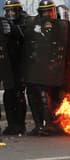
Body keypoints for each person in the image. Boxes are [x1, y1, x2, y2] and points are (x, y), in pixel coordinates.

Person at [21, 0, 68, 136]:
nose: (47, 14)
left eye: (49, 11)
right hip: (34, 65)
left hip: (53, 67)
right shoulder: (32, 23)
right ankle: (38, 125)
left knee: (44, 96)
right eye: (44, 11)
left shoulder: (61, 24)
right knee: (31, 93)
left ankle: (49, 125)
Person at [1, 0, 28, 135]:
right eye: (8, 10)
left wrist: (13, 29)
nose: (10, 13)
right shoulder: (3, 22)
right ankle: (11, 124)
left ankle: (20, 125)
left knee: (18, 94)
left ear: (18, 10)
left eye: (12, 10)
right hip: (7, 64)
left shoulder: (26, 20)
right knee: (8, 94)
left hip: (21, 63)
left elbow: (25, 35)